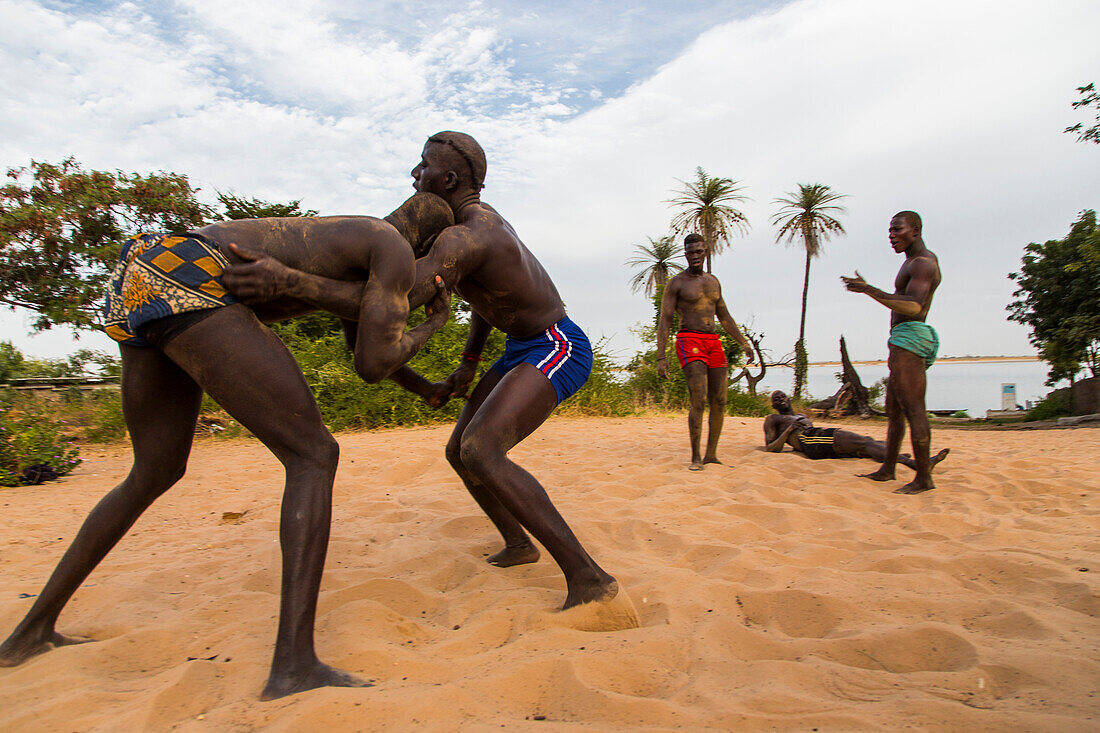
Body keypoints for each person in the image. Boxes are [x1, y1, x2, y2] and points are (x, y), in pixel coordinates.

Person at [0, 193, 455, 700]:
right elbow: (375, 362)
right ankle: (293, 666)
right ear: (427, 246)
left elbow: (359, 349)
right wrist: (433, 321)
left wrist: (426, 390)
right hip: (195, 273)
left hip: (142, 271)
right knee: (313, 455)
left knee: (154, 470)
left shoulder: (364, 244)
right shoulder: (390, 248)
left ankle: (29, 634)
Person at [230, 132, 636, 624]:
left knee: (482, 450)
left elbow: (394, 299)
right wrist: (468, 360)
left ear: (446, 179)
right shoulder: (468, 230)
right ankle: (517, 542)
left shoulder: (467, 236)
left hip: (558, 345)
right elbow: (488, 297)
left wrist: (293, 282)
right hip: (521, 346)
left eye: (421, 167)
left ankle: (589, 578)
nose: (413, 175)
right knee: (458, 450)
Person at [841, 210, 943, 494]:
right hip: (902, 339)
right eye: (890, 230)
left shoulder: (923, 263)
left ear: (915, 230)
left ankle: (923, 478)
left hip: (911, 339)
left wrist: (869, 289)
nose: (891, 235)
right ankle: (888, 468)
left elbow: (914, 307)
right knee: (894, 410)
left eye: (897, 229)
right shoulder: (911, 263)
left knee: (913, 409)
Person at [656, 234, 755, 470]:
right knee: (698, 399)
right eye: (690, 252)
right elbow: (665, 320)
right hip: (689, 339)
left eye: (699, 251)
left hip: (713, 341)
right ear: (685, 253)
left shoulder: (713, 282)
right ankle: (696, 457)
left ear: (705, 252)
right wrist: (661, 356)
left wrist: (743, 342)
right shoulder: (677, 283)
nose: (695, 256)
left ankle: (712, 454)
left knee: (720, 400)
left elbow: (724, 315)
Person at [763, 390, 948, 468]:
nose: (780, 399)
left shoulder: (800, 415)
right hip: (809, 439)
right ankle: (914, 464)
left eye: (782, 396)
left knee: (866, 442)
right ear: (773, 406)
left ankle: (892, 454)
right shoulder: (774, 419)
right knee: (864, 442)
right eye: (776, 399)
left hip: (816, 438)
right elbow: (771, 448)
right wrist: (788, 432)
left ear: (789, 399)